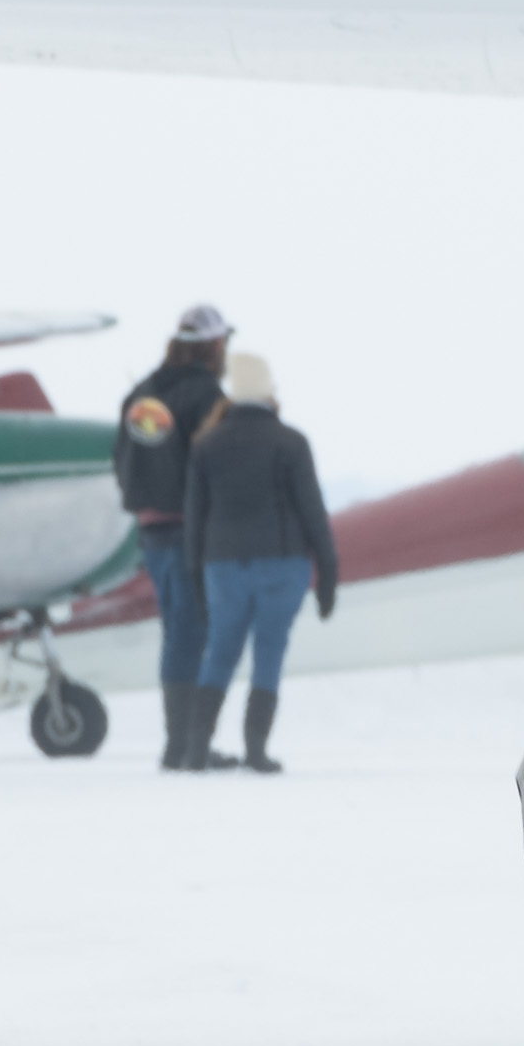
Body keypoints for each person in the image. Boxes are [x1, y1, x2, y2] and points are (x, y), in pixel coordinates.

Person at [177, 353, 338, 773]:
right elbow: (313, 511)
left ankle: (197, 748)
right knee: (269, 651)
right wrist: (328, 572)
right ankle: (256, 750)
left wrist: (196, 578)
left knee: (220, 653)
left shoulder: (206, 446)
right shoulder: (291, 442)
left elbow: (195, 520)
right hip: (282, 564)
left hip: (222, 566)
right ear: (269, 392)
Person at [114, 303, 234, 766]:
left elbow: (120, 458)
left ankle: (180, 743)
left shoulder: (140, 394)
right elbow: (215, 464)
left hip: (151, 532)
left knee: (177, 630)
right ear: (214, 345)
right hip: (191, 530)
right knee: (193, 632)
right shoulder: (206, 395)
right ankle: (186, 747)